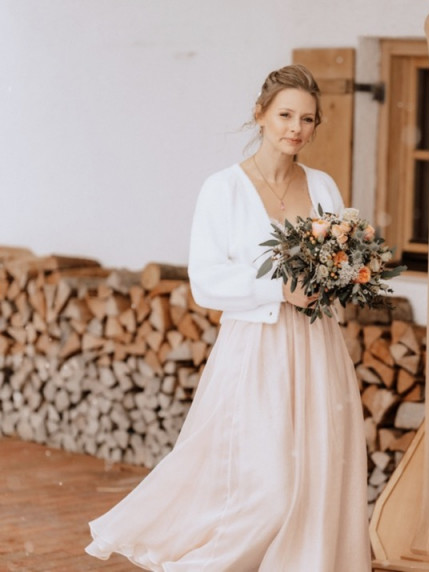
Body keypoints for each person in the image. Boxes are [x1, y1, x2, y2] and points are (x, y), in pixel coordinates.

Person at [85, 64, 371, 571]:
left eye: (307, 119)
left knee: (321, 477)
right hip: (257, 350)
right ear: (260, 115)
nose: (295, 129)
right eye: (285, 115)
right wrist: (279, 288)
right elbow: (206, 281)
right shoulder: (223, 188)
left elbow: (342, 262)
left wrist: (342, 278)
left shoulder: (324, 186)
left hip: (319, 346)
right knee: (270, 492)